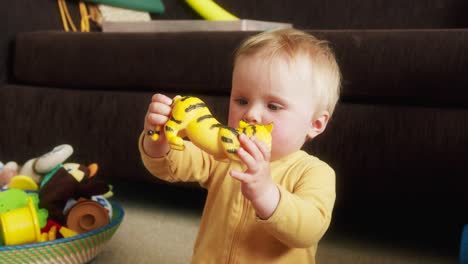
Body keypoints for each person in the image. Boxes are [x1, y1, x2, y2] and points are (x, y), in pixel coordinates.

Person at [139, 28, 341, 263]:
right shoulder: (224, 156)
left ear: (315, 124)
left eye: (273, 106)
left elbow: (309, 230)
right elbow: (172, 165)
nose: (251, 114)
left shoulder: (314, 173)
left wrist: (267, 194)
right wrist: (157, 138)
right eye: (242, 101)